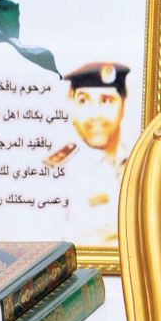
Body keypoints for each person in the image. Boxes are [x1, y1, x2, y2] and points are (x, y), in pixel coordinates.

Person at [46, 61, 130, 245]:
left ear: (123, 103)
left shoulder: (139, 160)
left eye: (106, 101)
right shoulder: (56, 172)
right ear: (71, 102)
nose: (94, 114)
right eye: (83, 101)